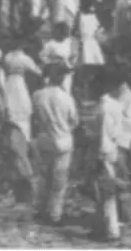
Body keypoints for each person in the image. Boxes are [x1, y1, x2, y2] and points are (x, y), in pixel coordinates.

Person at [31, 62, 78, 226]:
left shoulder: (37, 95)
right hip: (62, 139)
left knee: (44, 177)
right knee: (59, 181)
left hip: (44, 138)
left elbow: (34, 117)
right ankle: (54, 214)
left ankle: (40, 209)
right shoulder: (66, 97)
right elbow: (74, 120)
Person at [0, 39, 41, 203]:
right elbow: (37, 72)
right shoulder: (24, 58)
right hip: (20, 86)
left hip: (9, 85)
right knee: (23, 118)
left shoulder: (7, 57)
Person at [93, 66, 131, 242]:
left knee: (106, 191)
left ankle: (111, 229)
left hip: (105, 149)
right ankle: (112, 224)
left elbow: (100, 132)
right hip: (114, 147)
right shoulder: (115, 105)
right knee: (110, 189)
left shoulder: (103, 106)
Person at [76, 6, 106, 100]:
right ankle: (85, 96)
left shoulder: (90, 16)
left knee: (90, 73)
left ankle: (89, 96)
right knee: (85, 74)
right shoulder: (82, 16)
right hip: (87, 45)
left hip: (91, 45)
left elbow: (98, 31)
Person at [40, 22, 77, 95]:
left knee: (66, 90)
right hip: (53, 71)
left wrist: (71, 62)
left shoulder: (69, 42)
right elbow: (43, 56)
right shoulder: (51, 44)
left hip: (65, 70)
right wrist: (51, 62)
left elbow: (74, 55)